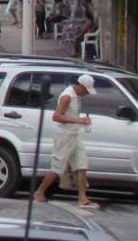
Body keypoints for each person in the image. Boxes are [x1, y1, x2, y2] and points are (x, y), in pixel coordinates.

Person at [33, 74, 97, 207]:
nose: (86, 94)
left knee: (82, 165)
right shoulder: (67, 96)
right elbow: (56, 116)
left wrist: (79, 122)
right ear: (81, 86)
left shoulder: (76, 95)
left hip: (74, 135)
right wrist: (78, 121)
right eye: (86, 90)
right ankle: (39, 192)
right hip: (64, 136)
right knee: (57, 167)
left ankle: (82, 199)